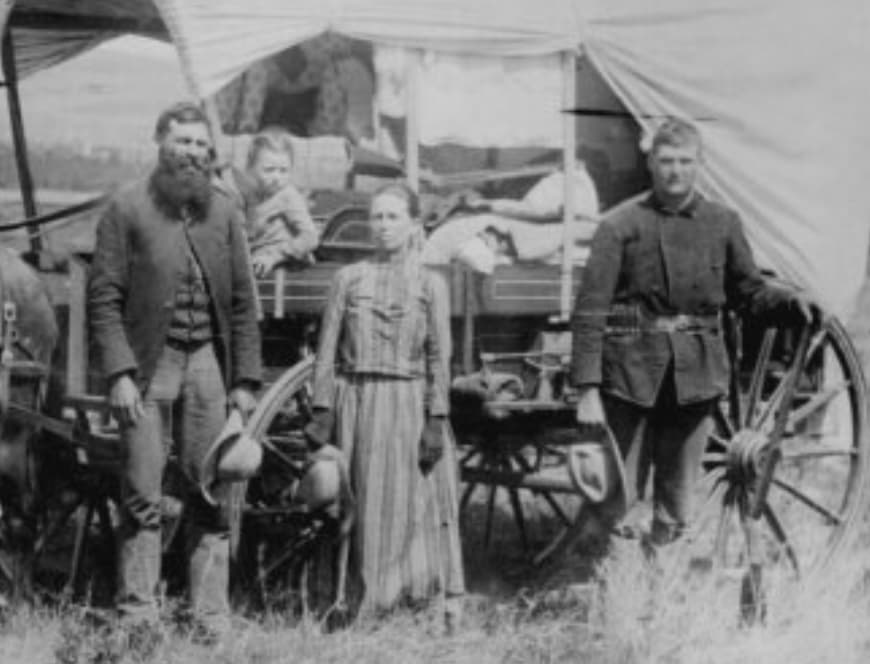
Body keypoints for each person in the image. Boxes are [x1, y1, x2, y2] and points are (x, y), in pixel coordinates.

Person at [569, 118, 816, 546]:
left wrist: (790, 303)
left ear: (700, 164)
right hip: (631, 375)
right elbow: (591, 310)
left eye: (685, 161)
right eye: (666, 161)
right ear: (651, 163)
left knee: (678, 500)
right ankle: (616, 592)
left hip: (695, 377)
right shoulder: (620, 226)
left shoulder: (722, 223)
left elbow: (749, 294)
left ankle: (661, 586)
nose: (675, 171)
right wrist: (587, 388)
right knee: (615, 498)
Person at [88, 101, 262, 633]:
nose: (193, 153)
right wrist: (119, 372)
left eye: (201, 145)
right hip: (149, 366)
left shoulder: (224, 212)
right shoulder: (126, 207)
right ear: (160, 141)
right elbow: (104, 298)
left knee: (210, 492)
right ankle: (138, 616)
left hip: (207, 363)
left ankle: (210, 616)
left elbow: (241, 305)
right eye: (183, 141)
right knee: (143, 493)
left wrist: (245, 383)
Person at [306, 182, 465, 625]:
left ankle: (412, 602)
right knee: (362, 505)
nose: (383, 227)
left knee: (414, 505)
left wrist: (436, 419)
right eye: (376, 217)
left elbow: (439, 356)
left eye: (394, 217)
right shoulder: (348, 279)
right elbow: (326, 351)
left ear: (414, 225)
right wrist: (323, 410)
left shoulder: (431, 284)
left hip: (410, 405)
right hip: (358, 403)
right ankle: (355, 603)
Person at [240, 128, 319, 277]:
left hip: (286, 265)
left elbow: (310, 237)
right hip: (255, 261)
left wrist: (275, 255)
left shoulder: (287, 195)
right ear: (251, 168)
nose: (277, 177)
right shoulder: (250, 194)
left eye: (284, 170)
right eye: (269, 170)